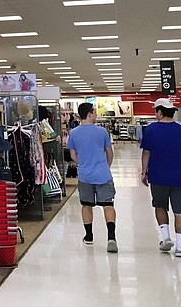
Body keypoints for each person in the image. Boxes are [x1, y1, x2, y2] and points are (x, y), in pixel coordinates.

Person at [140, 98, 181, 257]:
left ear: (159, 111)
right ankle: (180, 247)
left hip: (158, 176)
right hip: (180, 176)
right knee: (180, 212)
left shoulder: (150, 130)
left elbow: (146, 152)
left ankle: (165, 238)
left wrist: (144, 172)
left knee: (160, 206)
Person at [67, 102, 118, 253]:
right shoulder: (101, 132)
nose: (96, 115)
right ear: (89, 114)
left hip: (84, 175)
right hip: (102, 174)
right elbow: (109, 152)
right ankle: (111, 237)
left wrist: (82, 163)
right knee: (108, 205)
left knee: (86, 204)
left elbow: (72, 154)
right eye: (95, 113)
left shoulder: (74, 133)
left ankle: (89, 236)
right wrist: (106, 166)